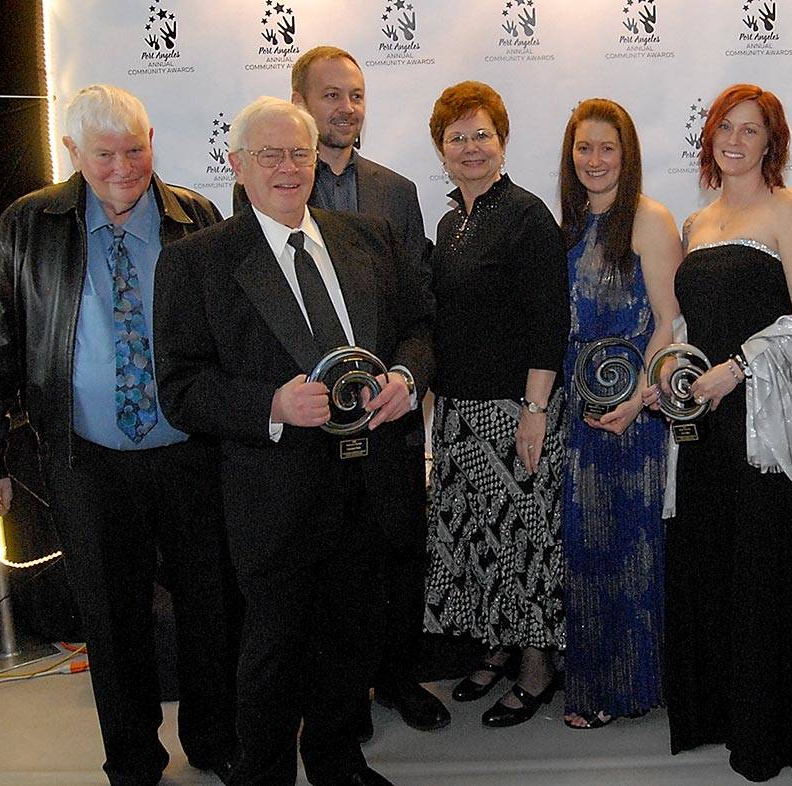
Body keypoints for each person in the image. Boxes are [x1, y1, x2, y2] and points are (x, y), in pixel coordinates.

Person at [0, 84, 238, 786]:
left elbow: (230, 334)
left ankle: (213, 741)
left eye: (135, 148)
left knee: (210, 610)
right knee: (112, 626)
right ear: (72, 151)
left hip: (190, 454)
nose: (122, 166)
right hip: (88, 462)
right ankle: (134, 760)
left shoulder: (194, 215)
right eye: (104, 152)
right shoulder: (29, 225)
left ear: (153, 144)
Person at [155, 96, 431, 786]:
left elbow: (422, 330)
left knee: (352, 642)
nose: (288, 168)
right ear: (237, 165)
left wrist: (406, 375)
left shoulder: (368, 236)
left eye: (299, 153)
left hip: (369, 488)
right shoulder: (199, 262)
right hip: (273, 497)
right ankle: (265, 773)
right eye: (269, 155)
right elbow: (181, 388)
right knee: (272, 657)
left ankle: (337, 761)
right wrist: (270, 404)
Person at [235, 43, 445, 737]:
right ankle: (338, 701)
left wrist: (406, 380)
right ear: (299, 102)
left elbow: (416, 306)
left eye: (355, 95)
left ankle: (400, 680)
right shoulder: (266, 184)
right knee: (325, 578)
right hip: (302, 428)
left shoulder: (396, 192)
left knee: (393, 560)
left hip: (384, 416)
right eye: (331, 95)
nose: (346, 108)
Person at [644, 83, 792, 783]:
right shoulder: (697, 223)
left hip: (765, 430)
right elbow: (687, 322)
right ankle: (718, 714)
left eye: (751, 131)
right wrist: (672, 374)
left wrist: (736, 369)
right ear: (711, 137)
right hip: (700, 435)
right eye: (726, 127)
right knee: (712, 567)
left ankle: (768, 734)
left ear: (771, 143)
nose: (736, 140)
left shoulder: (791, 213)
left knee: (763, 576)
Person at [421, 80, 570, 728]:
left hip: (516, 411)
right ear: (442, 150)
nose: (471, 147)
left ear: (502, 142)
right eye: (458, 137)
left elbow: (548, 321)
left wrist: (535, 412)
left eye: (482, 134)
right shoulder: (451, 221)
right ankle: (494, 646)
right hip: (458, 412)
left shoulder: (528, 216)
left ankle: (536, 668)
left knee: (524, 546)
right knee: (477, 545)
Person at [556, 98, 682, 729]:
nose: (595, 160)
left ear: (627, 154)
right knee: (583, 547)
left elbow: (670, 322)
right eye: (584, 147)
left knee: (626, 546)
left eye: (608, 147)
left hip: (634, 412)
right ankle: (594, 677)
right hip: (576, 411)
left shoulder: (650, 220)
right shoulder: (572, 223)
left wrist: (637, 399)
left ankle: (625, 684)